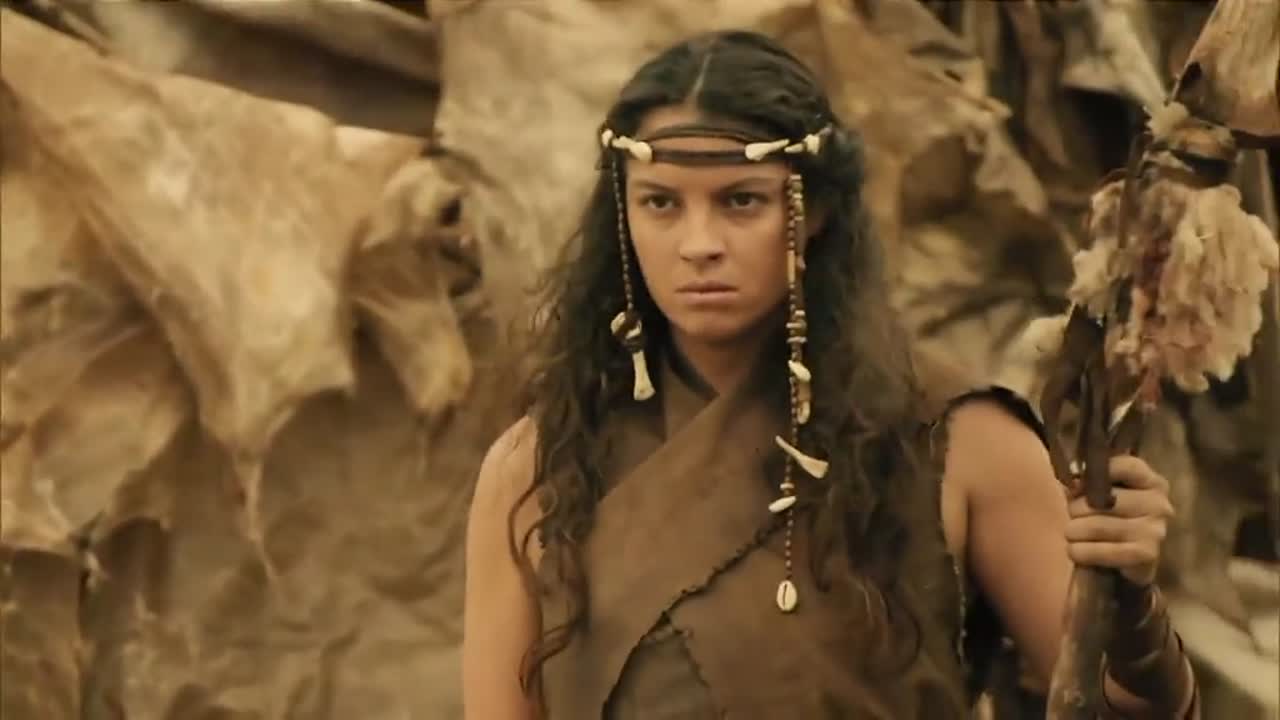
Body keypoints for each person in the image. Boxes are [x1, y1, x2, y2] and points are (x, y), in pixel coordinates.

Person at [462, 31, 1198, 719]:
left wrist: (1132, 604)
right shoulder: (536, 467)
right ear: (623, 216)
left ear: (812, 211)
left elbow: (1118, 709)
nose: (698, 244)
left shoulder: (960, 441)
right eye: (660, 203)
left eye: (741, 201)